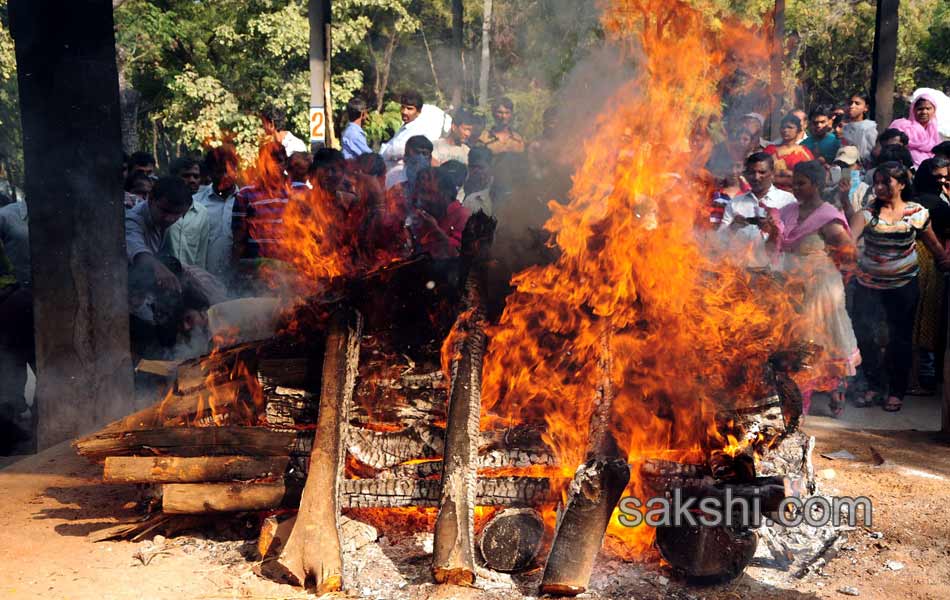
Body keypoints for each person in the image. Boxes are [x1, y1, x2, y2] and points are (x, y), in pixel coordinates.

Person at [849, 162, 950, 412]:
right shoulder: (866, 214)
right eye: (877, 182)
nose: (880, 187)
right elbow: (848, 243)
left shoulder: (916, 213)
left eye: (887, 182)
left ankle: (896, 391)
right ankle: (874, 385)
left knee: (900, 340)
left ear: (902, 184)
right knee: (864, 335)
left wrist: (943, 260)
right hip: (867, 284)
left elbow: (934, 244)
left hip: (904, 286)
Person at [769, 160, 860, 417]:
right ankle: (795, 399)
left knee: (815, 343)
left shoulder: (827, 216)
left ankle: (828, 393)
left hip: (819, 288)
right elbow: (774, 245)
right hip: (789, 286)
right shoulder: (787, 211)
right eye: (794, 183)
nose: (795, 188)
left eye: (802, 183)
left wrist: (833, 273)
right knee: (791, 345)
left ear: (817, 184)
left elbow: (847, 250)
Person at [910, 157, 950, 392]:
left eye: (945, 176)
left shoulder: (910, 200)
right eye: (938, 177)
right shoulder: (938, 205)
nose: (943, 181)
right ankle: (916, 380)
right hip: (928, 261)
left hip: (910, 260)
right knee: (923, 318)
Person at [718, 152, 796, 267]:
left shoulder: (787, 201)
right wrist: (733, 226)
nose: (756, 177)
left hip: (776, 272)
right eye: (751, 172)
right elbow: (719, 240)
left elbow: (795, 240)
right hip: (741, 272)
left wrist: (773, 230)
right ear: (745, 174)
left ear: (772, 173)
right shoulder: (735, 203)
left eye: (762, 172)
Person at [194, 145, 240, 282]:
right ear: (210, 173)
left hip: (238, 280)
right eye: (219, 171)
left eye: (228, 171)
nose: (224, 177)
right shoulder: (196, 203)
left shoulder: (246, 202)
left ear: (236, 170)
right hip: (204, 278)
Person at [407, 166, 471, 259]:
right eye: (420, 192)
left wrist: (436, 231)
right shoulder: (427, 216)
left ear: (445, 192)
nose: (422, 198)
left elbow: (458, 255)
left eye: (427, 192)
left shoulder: (463, 216)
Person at [166, 157, 210, 269]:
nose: (192, 180)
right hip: (162, 277)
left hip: (190, 279)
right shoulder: (162, 208)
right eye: (186, 176)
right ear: (173, 177)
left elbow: (201, 254)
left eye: (196, 176)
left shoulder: (202, 212)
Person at [888, 92, 942, 167]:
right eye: (920, 109)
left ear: (934, 111)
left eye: (928, 108)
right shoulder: (902, 126)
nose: (924, 112)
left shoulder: (934, 133)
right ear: (913, 110)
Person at [764, 113, 815, 191]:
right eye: (783, 127)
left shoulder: (805, 152)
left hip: (798, 194)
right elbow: (762, 173)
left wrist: (784, 176)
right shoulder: (770, 150)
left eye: (790, 127)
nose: (785, 130)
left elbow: (811, 177)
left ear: (798, 130)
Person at [841, 92, 878, 165]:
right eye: (850, 103)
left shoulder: (869, 127)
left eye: (857, 103)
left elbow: (872, 152)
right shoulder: (845, 127)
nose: (852, 106)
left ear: (866, 108)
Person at [462, 146, 495, 217]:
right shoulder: (462, 187)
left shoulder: (495, 189)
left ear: (491, 167)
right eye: (472, 167)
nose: (476, 171)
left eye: (481, 167)